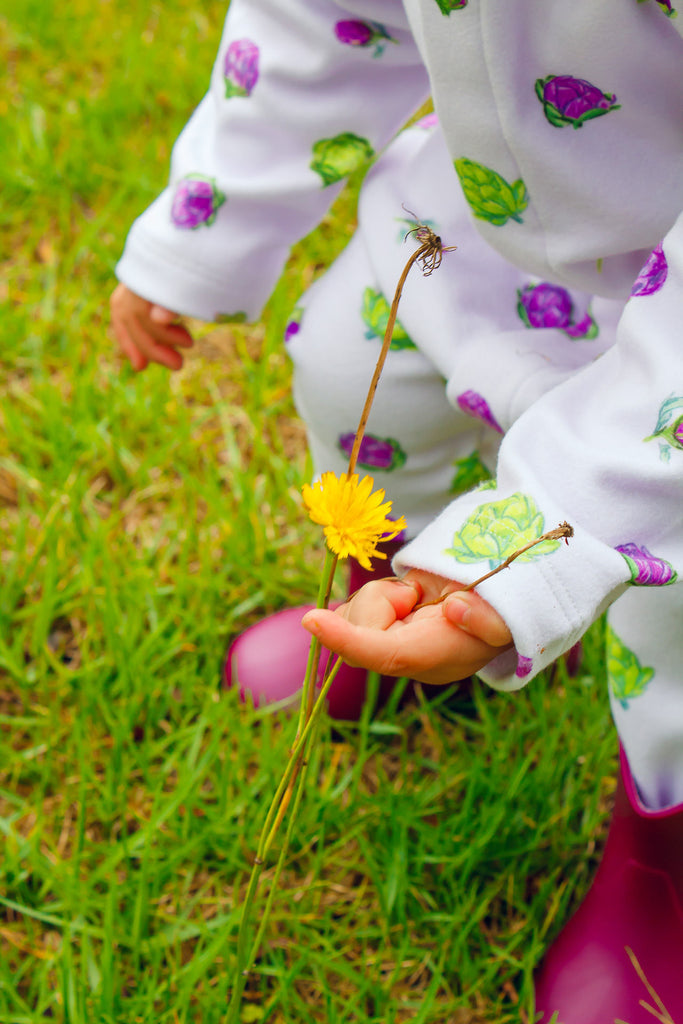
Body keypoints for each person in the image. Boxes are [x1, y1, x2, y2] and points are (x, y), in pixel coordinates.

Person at [110, 1, 683, 1018]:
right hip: (478, 235)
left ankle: (662, 857)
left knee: (665, 614)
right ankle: (383, 604)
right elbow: (321, 19)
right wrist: (206, 223)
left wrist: (516, 557)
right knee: (343, 364)